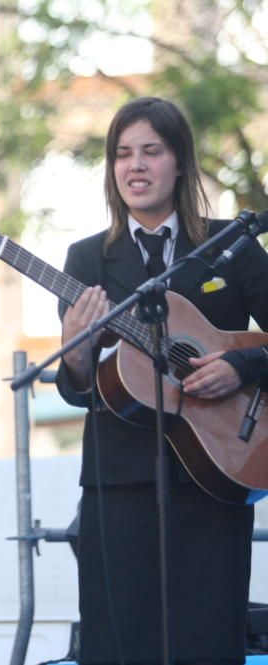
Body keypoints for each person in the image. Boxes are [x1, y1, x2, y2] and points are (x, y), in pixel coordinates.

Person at [56, 96, 268, 664]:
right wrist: (74, 352)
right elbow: (79, 386)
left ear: (180, 163)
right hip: (118, 484)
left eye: (151, 150)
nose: (136, 166)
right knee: (120, 642)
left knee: (207, 642)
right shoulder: (86, 260)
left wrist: (241, 366)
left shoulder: (234, 248)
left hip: (217, 474)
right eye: (123, 154)